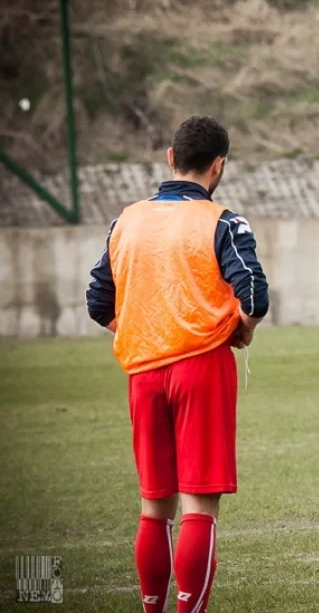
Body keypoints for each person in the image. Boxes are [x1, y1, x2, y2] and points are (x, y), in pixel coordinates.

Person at [85, 116, 269, 613]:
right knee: (199, 503)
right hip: (201, 368)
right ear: (219, 166)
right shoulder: (223, 221)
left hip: (143, 372)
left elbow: (98, 302)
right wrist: (242, 329)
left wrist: (147, 329)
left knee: (154, 505)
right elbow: (254, 293)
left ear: (170, 157)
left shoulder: (126, 219)